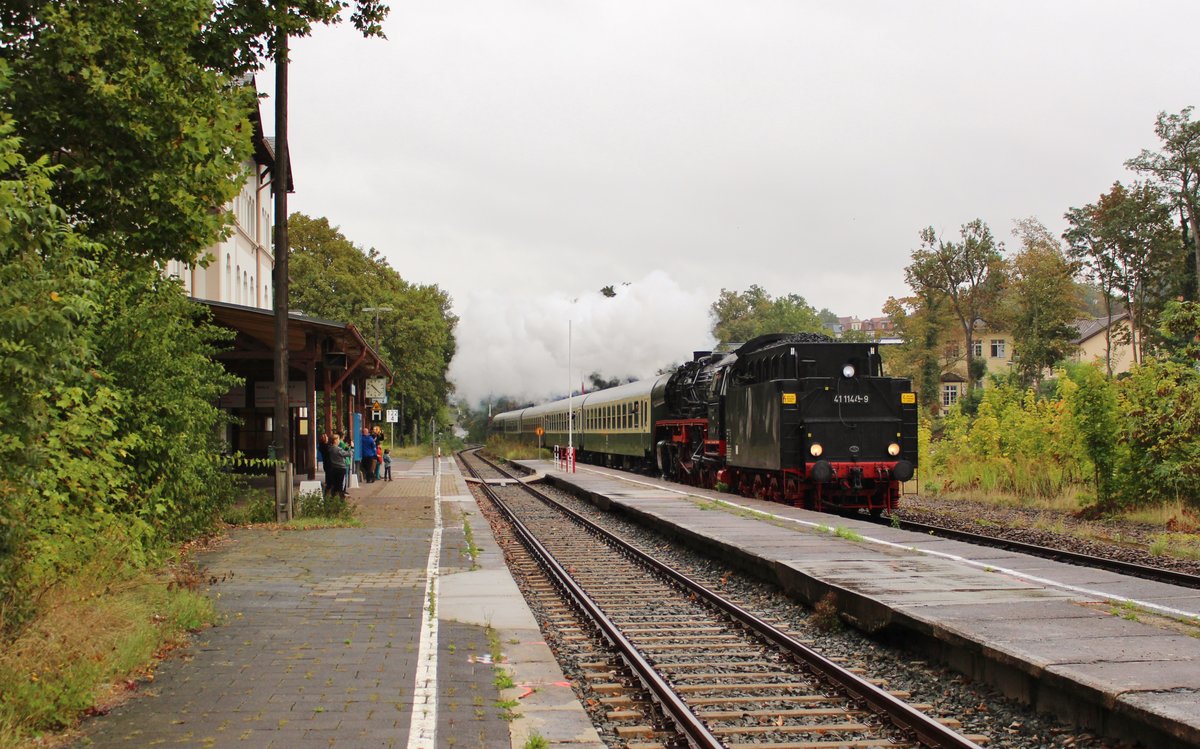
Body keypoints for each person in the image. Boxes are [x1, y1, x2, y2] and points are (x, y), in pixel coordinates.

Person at [325, 432, 350, 497]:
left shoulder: (330, 448)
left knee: (335, 484)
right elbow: (348, 454)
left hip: (334, 467)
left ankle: (333, 497)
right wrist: (352, 448)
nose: (339, 441)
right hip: (341, 468)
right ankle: (341, 498)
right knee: (341, 484)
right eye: (338, 439)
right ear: (335, 440)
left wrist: (346, 449)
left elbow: (342, 452)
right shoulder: (337, 449)